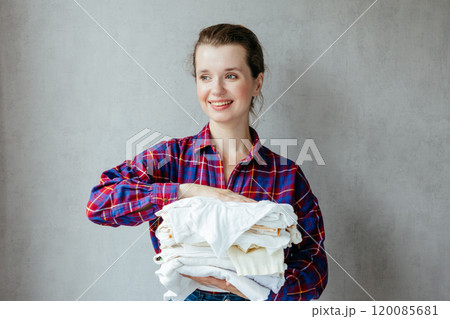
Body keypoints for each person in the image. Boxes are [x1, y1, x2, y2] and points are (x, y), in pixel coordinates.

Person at [86, 23, 328, 301]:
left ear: (257, 83)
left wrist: (258, 292)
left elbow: (315, 263)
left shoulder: (285, 174)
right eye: (205, 77)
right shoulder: (169, 159)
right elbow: (98, 204)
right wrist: (186, 191)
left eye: (231, 76)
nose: (217, 90)